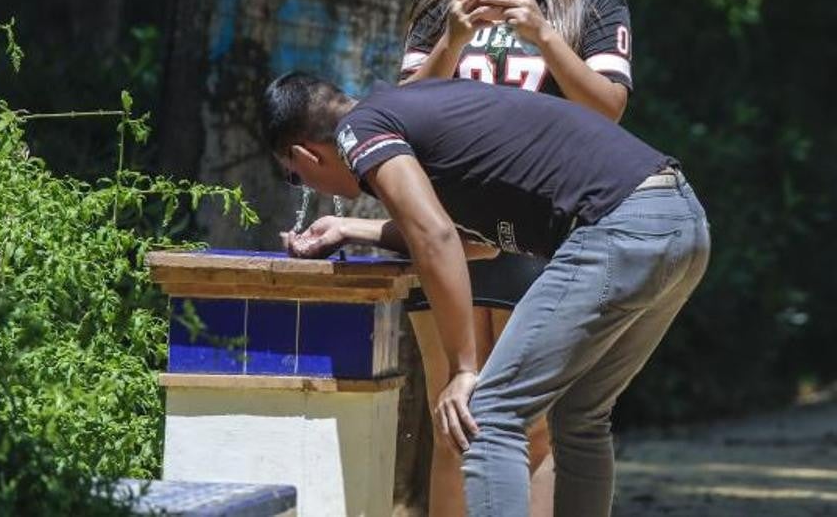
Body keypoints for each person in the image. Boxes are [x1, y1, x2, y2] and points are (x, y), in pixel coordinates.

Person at [263, 72, 709, 516]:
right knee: (580, 416)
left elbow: (435, 238)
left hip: (620, 228)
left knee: (487, 415)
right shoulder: (411, 111)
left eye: (296, 178)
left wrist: (463, 367)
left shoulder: (358, 130)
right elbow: (475, 242)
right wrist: (347, 228)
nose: (307, 187)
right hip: (679, 222)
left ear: (306, 155)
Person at [399, 0, 634, 516]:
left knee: (532, 426)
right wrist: (451, 37)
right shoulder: (445, 0)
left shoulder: (591, 0)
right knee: (455, 422)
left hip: (549, 230)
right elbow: (401, 114)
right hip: (449, 229)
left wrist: (542, 35)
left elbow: (609, 109)